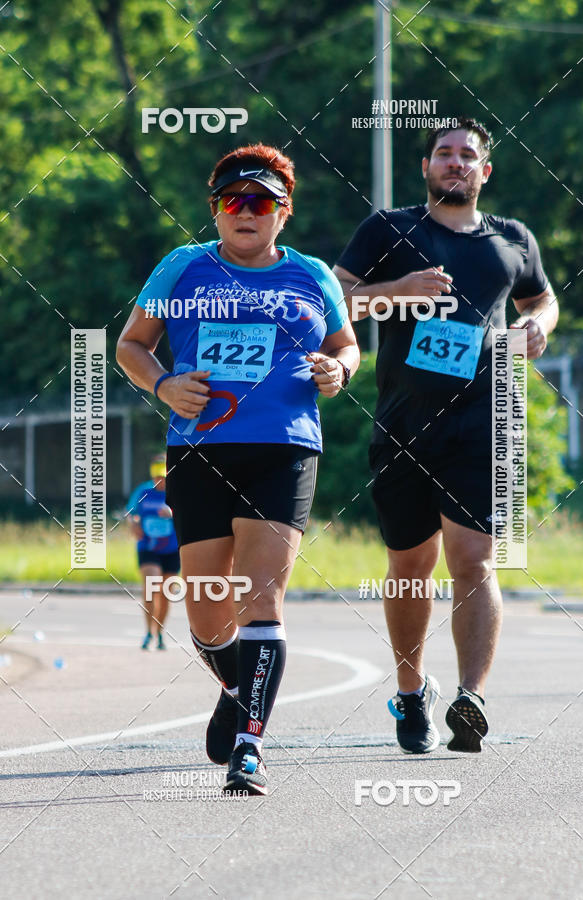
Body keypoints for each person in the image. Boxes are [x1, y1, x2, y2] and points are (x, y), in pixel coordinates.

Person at [116, 143, 359, 794]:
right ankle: (234, 683)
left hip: (284, 445)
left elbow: (346, 345)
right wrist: (164, 384)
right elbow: (131, 346)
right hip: (200, 449)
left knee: (261, 599)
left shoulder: (312, 276)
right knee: (204, 613)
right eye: (231, 201)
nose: (244, 212)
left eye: (260, 202)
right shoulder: (182, 268)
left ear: (284, 212)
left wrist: (340, 370)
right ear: (215, 211)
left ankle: (250, 743)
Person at [334, 117, 557, 753]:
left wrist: (540, 324)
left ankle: (470, 698)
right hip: (403, 423)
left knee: (474, 559)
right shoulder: (389, 229)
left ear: (485, 172)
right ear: (426, 167)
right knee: (410, 565)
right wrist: (397, 292)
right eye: (444, 154)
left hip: (486, 422)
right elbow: (335, 301)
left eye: (467, 156)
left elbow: (540, 300)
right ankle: (411, 692)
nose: (455, 163)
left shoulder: (512, 240)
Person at [127, 454, 179, 650]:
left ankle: (159, 633)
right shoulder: (143, 491)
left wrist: (173, 514)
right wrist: (133, 523)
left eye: (164, 477)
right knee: (152, 585)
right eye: (157, 477)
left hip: (172, 549)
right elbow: (130, 514)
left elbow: (191, 517)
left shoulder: (177, 491)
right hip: (148, 547)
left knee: (166, 593)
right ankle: (148, 631)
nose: (161, 482)